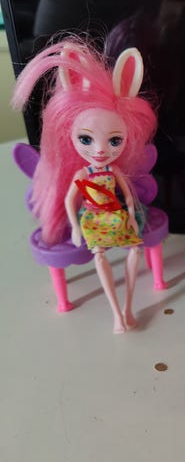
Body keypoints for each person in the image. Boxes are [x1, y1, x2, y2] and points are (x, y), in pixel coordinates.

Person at [12, 39, 157, 333]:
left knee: (135, 250)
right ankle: (116, 313)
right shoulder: (82, 173)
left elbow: (128, 197)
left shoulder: (114, 170)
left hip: (116, 216)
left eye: (114, 141)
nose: (100, 150)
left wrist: (131, 214)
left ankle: (128, 307)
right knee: (100, 256)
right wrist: (76, 228)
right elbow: (69, 200)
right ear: (70, 135)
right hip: (93, 219)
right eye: (86, 139)